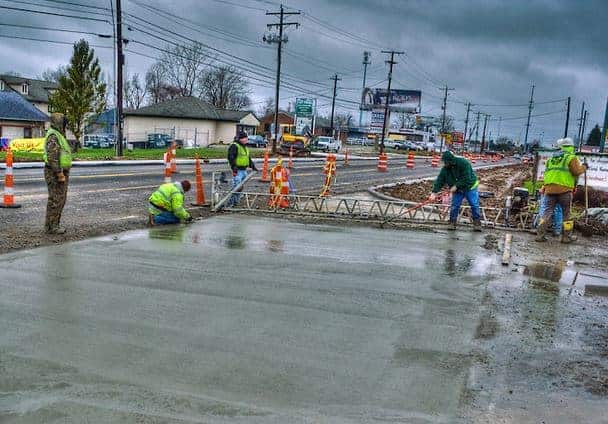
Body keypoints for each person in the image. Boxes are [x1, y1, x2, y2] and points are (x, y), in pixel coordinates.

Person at [536, 137, 586, 243]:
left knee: (546, 213)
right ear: (571, 147)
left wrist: (545, 186)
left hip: (550, 190)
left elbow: (547, 174)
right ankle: (566, 237)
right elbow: (576, 172)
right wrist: (584, 167)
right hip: (564, 190)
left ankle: (540, 235)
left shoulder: (551, 159)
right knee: (566, 214)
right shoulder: (571, 158)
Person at [429, 150, 482, 231]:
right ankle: (452, 222)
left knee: (474, 205)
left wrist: (456, 186)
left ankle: (477, 223)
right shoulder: (445, 169)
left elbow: (466, 178)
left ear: (450, 161)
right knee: (454, 206)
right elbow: (440, 180)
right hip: (457, 190)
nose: (444, 164)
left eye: (445, 162)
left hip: (470, 187)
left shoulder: (464, 163)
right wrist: (434, 192)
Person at [44, 113, 73, 234]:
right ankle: (53, 227)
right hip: (55, 172)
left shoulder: (58, 134)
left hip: (59, 171)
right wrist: (59, 173)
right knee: (56, 200)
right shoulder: (53, 136)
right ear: (59, 123)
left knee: (58, 199)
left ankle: (51, 226)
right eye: (63, 123)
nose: (65, 126)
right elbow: (53, 157)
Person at [226, 131, 258, 207]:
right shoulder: (235, 146)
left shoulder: (245, 147)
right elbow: (231, 157)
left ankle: (235, 203)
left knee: (240, 188)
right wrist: (234, 168)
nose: (246, 140)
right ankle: (229, 203)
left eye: (246, 138)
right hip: (238, 170)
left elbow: (248, 158)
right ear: (240, 138)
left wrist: (253, 166)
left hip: (244, 170)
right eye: (244, 138)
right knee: (236, 188)